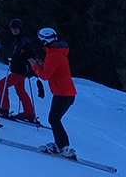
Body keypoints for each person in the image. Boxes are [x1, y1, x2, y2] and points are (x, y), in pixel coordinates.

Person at [30, 27, 77, 159]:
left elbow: (45, 76)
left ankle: (63, 147)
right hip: (65, 93)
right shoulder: (56, 53)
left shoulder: (54, 55)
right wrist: (42, 66)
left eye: (41, 40)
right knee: (54, 119)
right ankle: (62, 146)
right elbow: (52, 71)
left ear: (45, 41)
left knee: (54, 119)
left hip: (63, 94)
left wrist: (34, 66)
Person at [0, 18, 37, 122]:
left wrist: (28, 64)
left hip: (20, 71)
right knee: (20, 91)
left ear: (20, 29)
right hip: (18, 70)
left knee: (2, 84)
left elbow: (31, 53)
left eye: (16, 28)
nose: (14, 30)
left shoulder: (24, 40)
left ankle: (4, 109)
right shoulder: (18, 39)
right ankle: (29, 114)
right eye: (12, 29)